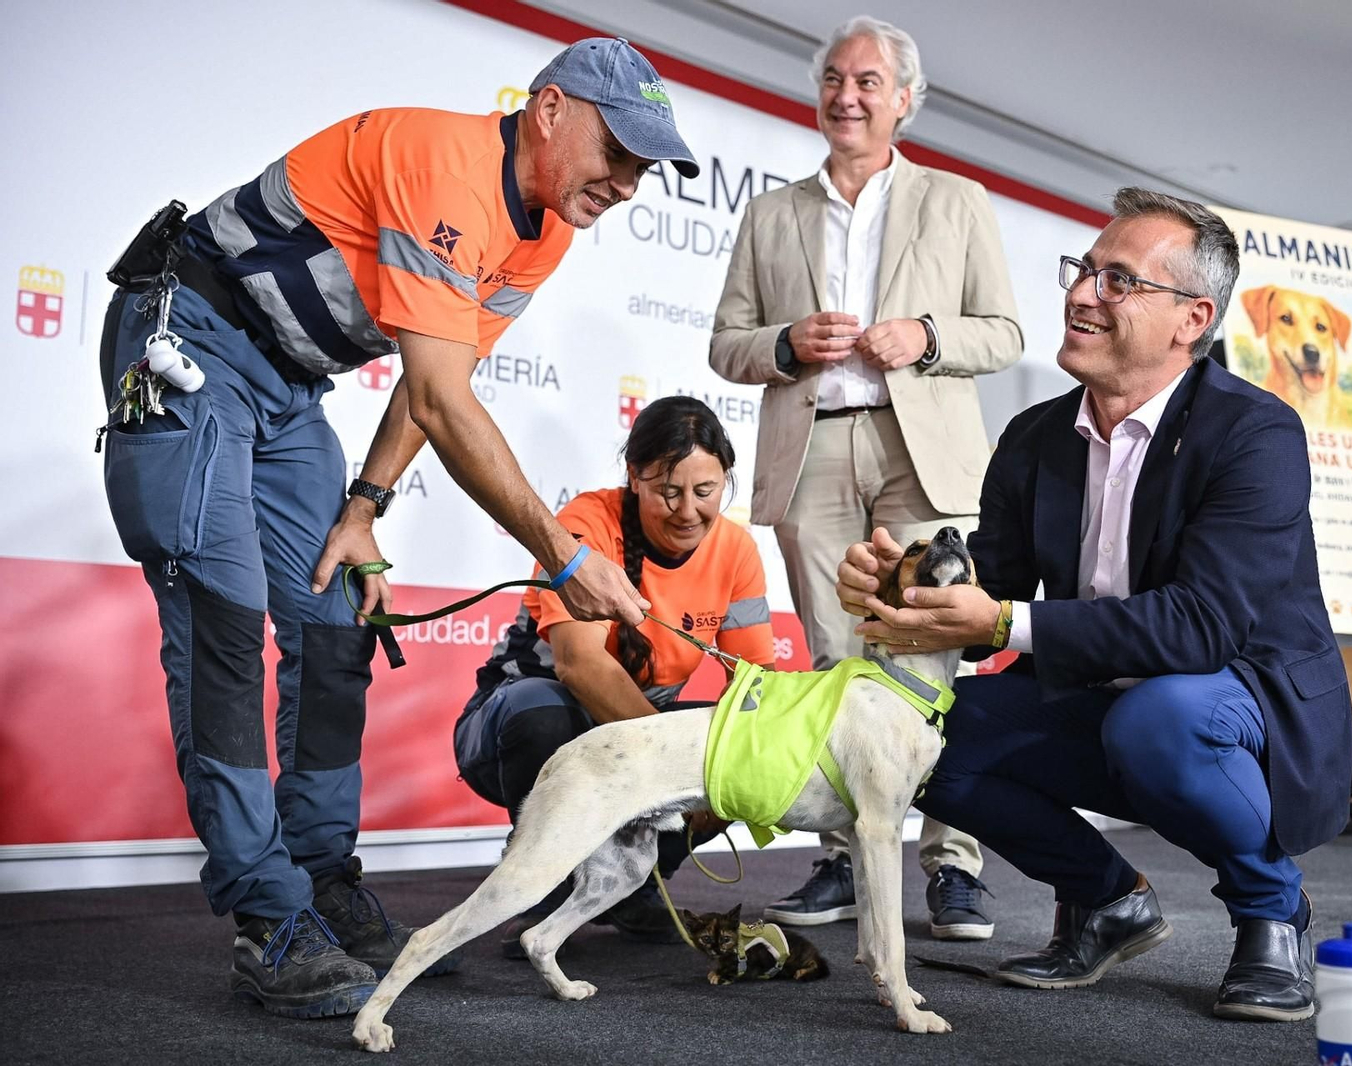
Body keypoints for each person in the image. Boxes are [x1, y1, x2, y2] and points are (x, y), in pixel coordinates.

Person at [95, 38, 696, 1018]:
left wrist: (365, 505)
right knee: (225, 627)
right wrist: (561, 550)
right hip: (191, 335)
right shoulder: (442, 161)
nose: (628, 182)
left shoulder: (541, 234)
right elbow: (444, 398)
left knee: (337, 626)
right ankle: (267, 916)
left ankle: (322, 875)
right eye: (618, 150)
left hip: (289, 392)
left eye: (645, 166)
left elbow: (434, 384)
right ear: (547, 110)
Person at [838, 188, 1352, 1022]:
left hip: (1240, 703)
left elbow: (1202, 628)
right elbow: (988, 599)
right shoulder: (1034, 438)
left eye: (1118, 281)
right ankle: (1107, 899)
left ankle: (1272, 910)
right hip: (1104, 698)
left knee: (1159, 717)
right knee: (929, 733)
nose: (1082, 293)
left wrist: (1005, 624)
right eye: (1084, 270)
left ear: (1192, 319)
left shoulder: (1256, 434)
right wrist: (902, 591)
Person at [709, 15, 1021, 940]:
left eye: (869, 82)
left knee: (937, 658)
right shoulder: (770, 214)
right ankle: (847, 858)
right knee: (836, 661)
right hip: (811, 450)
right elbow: (727, 345)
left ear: (905, 101)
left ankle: (954, 865)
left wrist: (924, 337)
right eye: (835, 79)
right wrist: (783, 343)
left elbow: (1001, 333)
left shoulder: (956, 201)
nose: (848, 95)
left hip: (920, 445)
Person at [455, 396, 774, 950]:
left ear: (726, 479)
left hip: (629, 739)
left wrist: (738, 766)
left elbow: (757, 683)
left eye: (706, 492)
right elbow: (579, 667)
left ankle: (636, 884)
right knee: (543, 714)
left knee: (741, 740)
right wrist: (667, 768)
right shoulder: (585, 520)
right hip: (521, 722)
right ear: (634, 477)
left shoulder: (737, 550)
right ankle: (542, 886)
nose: (688, 511)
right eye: (668, 492)